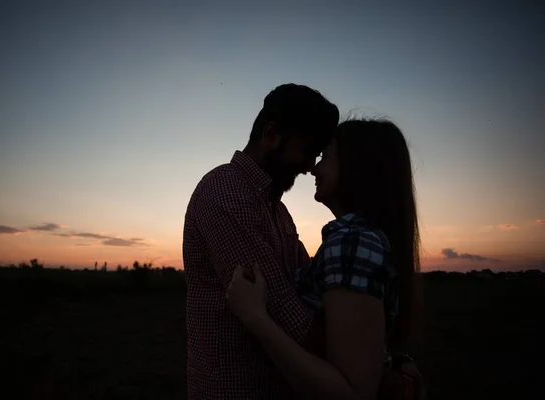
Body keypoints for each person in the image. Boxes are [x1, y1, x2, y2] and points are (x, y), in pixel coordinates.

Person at [226, 118, 425, 399]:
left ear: (358, 167)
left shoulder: (352, 241)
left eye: (326, 157)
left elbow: (351, 392)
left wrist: (255, 317)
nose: (314, 168)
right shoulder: (360, 238)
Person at [182, 83, 339, 399]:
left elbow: (311, 289)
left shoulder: (278, 211)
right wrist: (372, 367)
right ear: (271, 135)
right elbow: (290, 320)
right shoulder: (226, 193)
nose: (310, 167)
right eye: (308, 151)